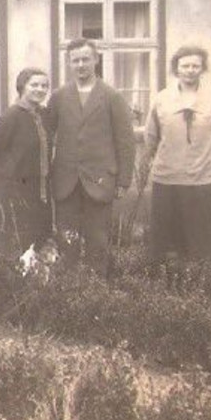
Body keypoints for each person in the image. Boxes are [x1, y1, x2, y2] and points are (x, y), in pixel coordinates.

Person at [137, 44, 211, 264]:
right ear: (177, 69)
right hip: (169, 179)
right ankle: (171, 287)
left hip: (207, 181)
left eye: (195, 65)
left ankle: (208, 283)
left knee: (207, 241)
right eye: (185, 65)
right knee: (169, 243)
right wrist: (169, 161)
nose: (190, 70)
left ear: (202, 69)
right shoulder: (162, 99)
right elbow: (151, 138)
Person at [50, 38, 136, 274]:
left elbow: (125, 141)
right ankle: (68, 286)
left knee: (98, 238)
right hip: (66, 180)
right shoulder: (59, 97)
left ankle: (96, 288)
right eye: (75, 60)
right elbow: (46, 137)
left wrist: (123, 180)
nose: (80, 65)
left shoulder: (111, 96)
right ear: (69, 63)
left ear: (96, 60)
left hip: (100, 180)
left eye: (85, 59)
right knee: (67, 237)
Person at [0, 67, 54, 251]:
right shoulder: (11, 117)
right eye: (34, 85)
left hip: (39, 189)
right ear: (22, 87)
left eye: (44, 86)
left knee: (39, 241)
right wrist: (14, 171)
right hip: (13, 190)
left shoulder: (45, 115)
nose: (40, 89)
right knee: (14, 241)